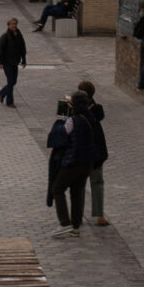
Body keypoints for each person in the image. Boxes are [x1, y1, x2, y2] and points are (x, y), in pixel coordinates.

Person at [45, 94, 97, 235]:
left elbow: (59, 136)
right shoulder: (90, 118)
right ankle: (75, 224)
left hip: (72, 162)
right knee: (76, 192)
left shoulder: (72, 121)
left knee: (57, 189)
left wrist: (61, 120)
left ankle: (65, 223)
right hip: (86, 163)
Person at [73, 76, 109, 225]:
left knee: (78, 185)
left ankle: (77, 216)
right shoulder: (96, 109)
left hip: (80, 154)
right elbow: (99, 115)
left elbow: (61, 122)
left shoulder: (73, 110)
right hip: (96, 153)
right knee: (97, 183)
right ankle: (99, 215)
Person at [0, 17, 26, 108]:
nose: (14, 25)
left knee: (13, 82)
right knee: (10, 81)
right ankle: (10, 102)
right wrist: (0, 62)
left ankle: (2, 92)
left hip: (15, 62)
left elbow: (22, 48)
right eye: (12, 24)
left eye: (15, 24)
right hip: (7, 62)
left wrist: (24, 60)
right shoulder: (5, 36)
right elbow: (0, 49)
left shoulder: (19, 35)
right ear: (8, 25)